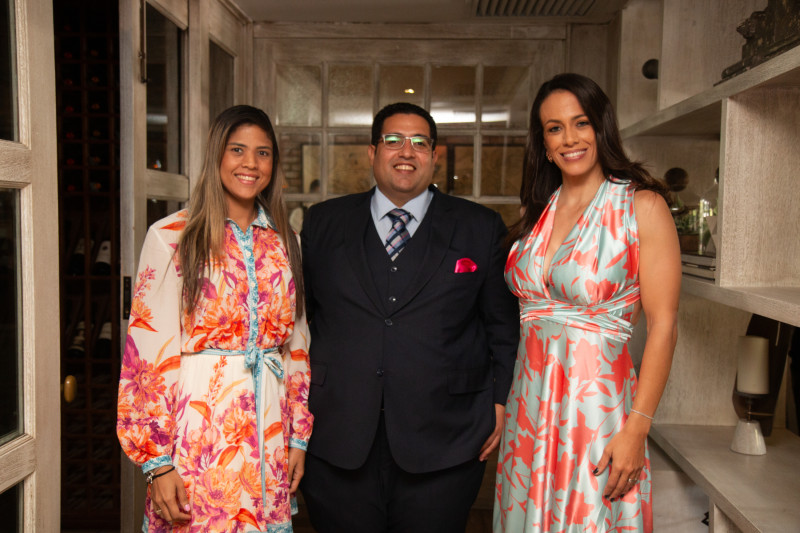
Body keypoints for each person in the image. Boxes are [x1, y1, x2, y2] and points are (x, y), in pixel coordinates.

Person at [300, 102, 519, 532]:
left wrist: (501, 401)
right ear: (371, 152)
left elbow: (503, 326)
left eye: (420, 142)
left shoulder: (480, 227)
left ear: (434, 156)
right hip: (337, 433)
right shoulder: (323, 223)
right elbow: (298, 320)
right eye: (393, 140)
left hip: (447, 439)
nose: (407, 151)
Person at [494, 73, 680, 532]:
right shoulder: (536, 210)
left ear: (602, 126)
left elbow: (664, 325)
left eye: (581, 123)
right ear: (543, 141)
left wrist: (637, 429)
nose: (569, 138)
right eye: (554, 128)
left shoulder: (641, 206)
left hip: (599, 415)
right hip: (529, 411)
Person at [116, 105, 313, 531]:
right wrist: (157, 463)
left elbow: (296, 345)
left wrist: (298, 436)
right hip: (198, 430)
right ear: (216, 155)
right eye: (237, 149)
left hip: (270, 427)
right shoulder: (172, 237)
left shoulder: (287, 241)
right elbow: (146, 357)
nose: (250, 164)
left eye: (263, 153)